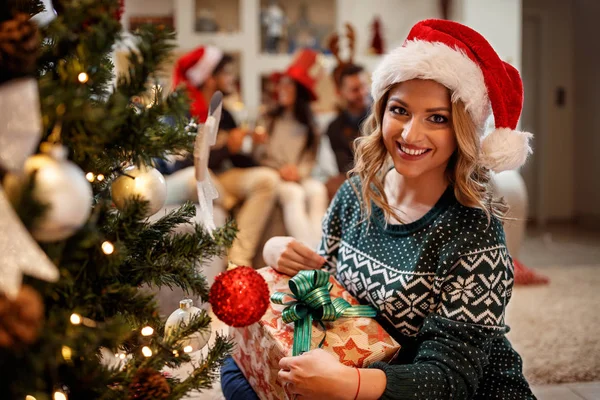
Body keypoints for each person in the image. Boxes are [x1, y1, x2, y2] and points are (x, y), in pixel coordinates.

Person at [222, 19, 535, 399]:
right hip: (359, 363)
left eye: (437, 118)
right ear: (382, 110)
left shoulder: (472, 234)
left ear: (463, 131)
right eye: (400, 110)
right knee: (235, 366)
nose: (409, 134)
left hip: (437, 390)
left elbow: (451, 380)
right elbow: (334, 287)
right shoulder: (357, 192)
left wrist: (347, 384)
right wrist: (277, 253)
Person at [166, 46, 280, 267]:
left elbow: (236, 161)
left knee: (267, 179)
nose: (232, 78)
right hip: (192, 176)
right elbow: (183, 163)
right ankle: (227, 201)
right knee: (201, 177)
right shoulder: (180, 112)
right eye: (226, 72)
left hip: (221, 175)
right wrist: (227, 147)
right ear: (209, 78)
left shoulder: (224, 113)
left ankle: (237, 262)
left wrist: (252, 152)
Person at [254, 49, 328, 249]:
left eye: (289, 84)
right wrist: (279, 169)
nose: (282, 88)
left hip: (299, 174)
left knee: (317, 190)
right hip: (274, 174)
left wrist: (299, 172)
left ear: (300, 91)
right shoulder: (269, 120)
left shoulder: (310, 127)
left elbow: (310, 159)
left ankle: (321, 248)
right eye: (282, 83)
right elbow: (259, 155)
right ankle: (309, 253)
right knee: (294, 194)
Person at [324, 63, 370, 199]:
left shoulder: (384, 117)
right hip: (355, 177)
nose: (362, 93)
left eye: (364, 86)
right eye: (355, 90)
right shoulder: (334, 128)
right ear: (341, 92)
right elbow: (344, 166)